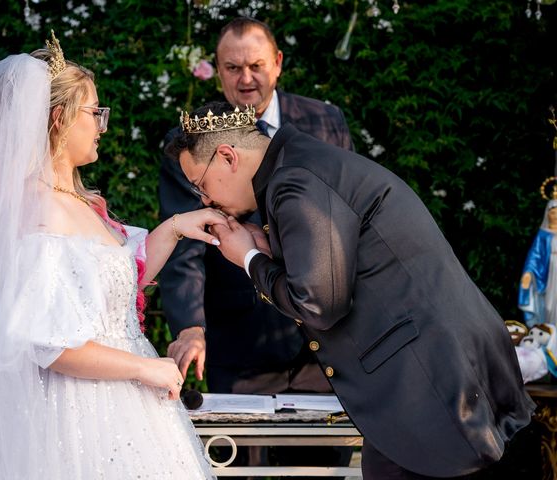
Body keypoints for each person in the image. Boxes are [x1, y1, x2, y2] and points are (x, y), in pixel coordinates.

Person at [167, 101, 535, 479]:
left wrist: (247, 259)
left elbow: (318, 306)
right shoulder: (303, 161)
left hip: (430, 389)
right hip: (436, 377)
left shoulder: (295, 181)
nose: (206, 201)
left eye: (201, 185)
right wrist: (266, 253)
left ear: (227, 157)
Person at [0, 33, 224, 479]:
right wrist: (144, 368)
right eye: (93, 113)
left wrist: (177, 227)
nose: (102, 124)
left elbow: (122, 276)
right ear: (60, 118)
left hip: (122, 404)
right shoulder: (40, 210)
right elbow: (52, 344)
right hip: (76, 411)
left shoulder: (77, 200)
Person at [160, 16, 352, 395]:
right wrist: (190, 328)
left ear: (277, 63)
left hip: (326, 344)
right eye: (233, 68)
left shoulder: (325, 121)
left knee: (328, 454)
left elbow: (345, 222)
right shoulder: (189, 145)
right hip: (240, 343)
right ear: (218, 71)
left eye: (256, 66)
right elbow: (185, 244)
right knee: (241, 454)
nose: (246, 79)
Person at [519, 198, 557, 327]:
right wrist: (529, 272)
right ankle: (549, 329)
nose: (555, 215)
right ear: (547, 214)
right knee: (549, 305)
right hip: (548, 274)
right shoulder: (543, 235)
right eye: (552, 212)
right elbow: (534, 255)